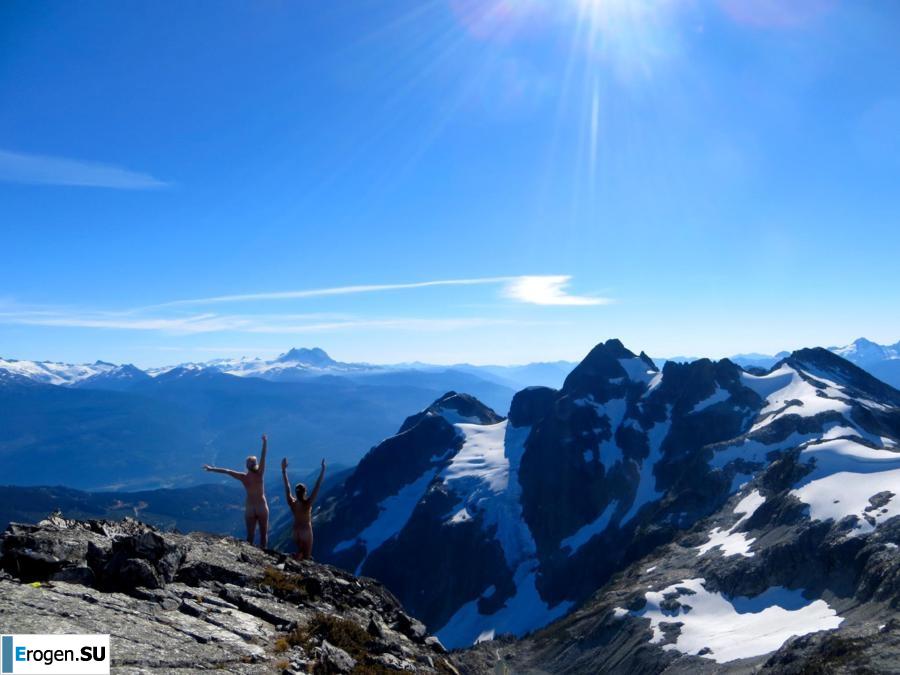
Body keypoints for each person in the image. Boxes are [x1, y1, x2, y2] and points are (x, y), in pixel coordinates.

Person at [203, 434, 269, 549]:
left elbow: (227, 471)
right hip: (261, 506)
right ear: (255, 465)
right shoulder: (259, 474)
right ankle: (262, 553)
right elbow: (263, 457)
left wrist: (212, 469)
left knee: (251, 535)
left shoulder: (244, 477)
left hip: (250, 507)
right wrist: (264, 443)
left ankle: (251, 555)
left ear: (246, 465)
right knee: (262, 535)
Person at [281, 456, 326, 560]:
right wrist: (323, 469)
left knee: (300, 550)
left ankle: (296, 558)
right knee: (306, 556)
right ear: (305, 492)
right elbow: (317, 485)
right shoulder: (307, 503)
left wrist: (284, 470)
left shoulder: (291, 502)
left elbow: (287, 486)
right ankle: (298, 562)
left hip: (295, 530)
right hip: (306, 530)